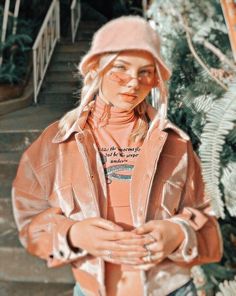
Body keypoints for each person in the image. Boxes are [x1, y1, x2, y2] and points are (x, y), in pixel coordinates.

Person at [12, 16, 223, 296]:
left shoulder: (176, 144)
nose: (132, 83)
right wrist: (73, 234)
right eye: (120, 68)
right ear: (96, 70)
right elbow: (29, 220)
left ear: (155, 80)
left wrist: (178, 233)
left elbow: (207, 220)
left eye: (145, 72)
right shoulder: (56, 143)